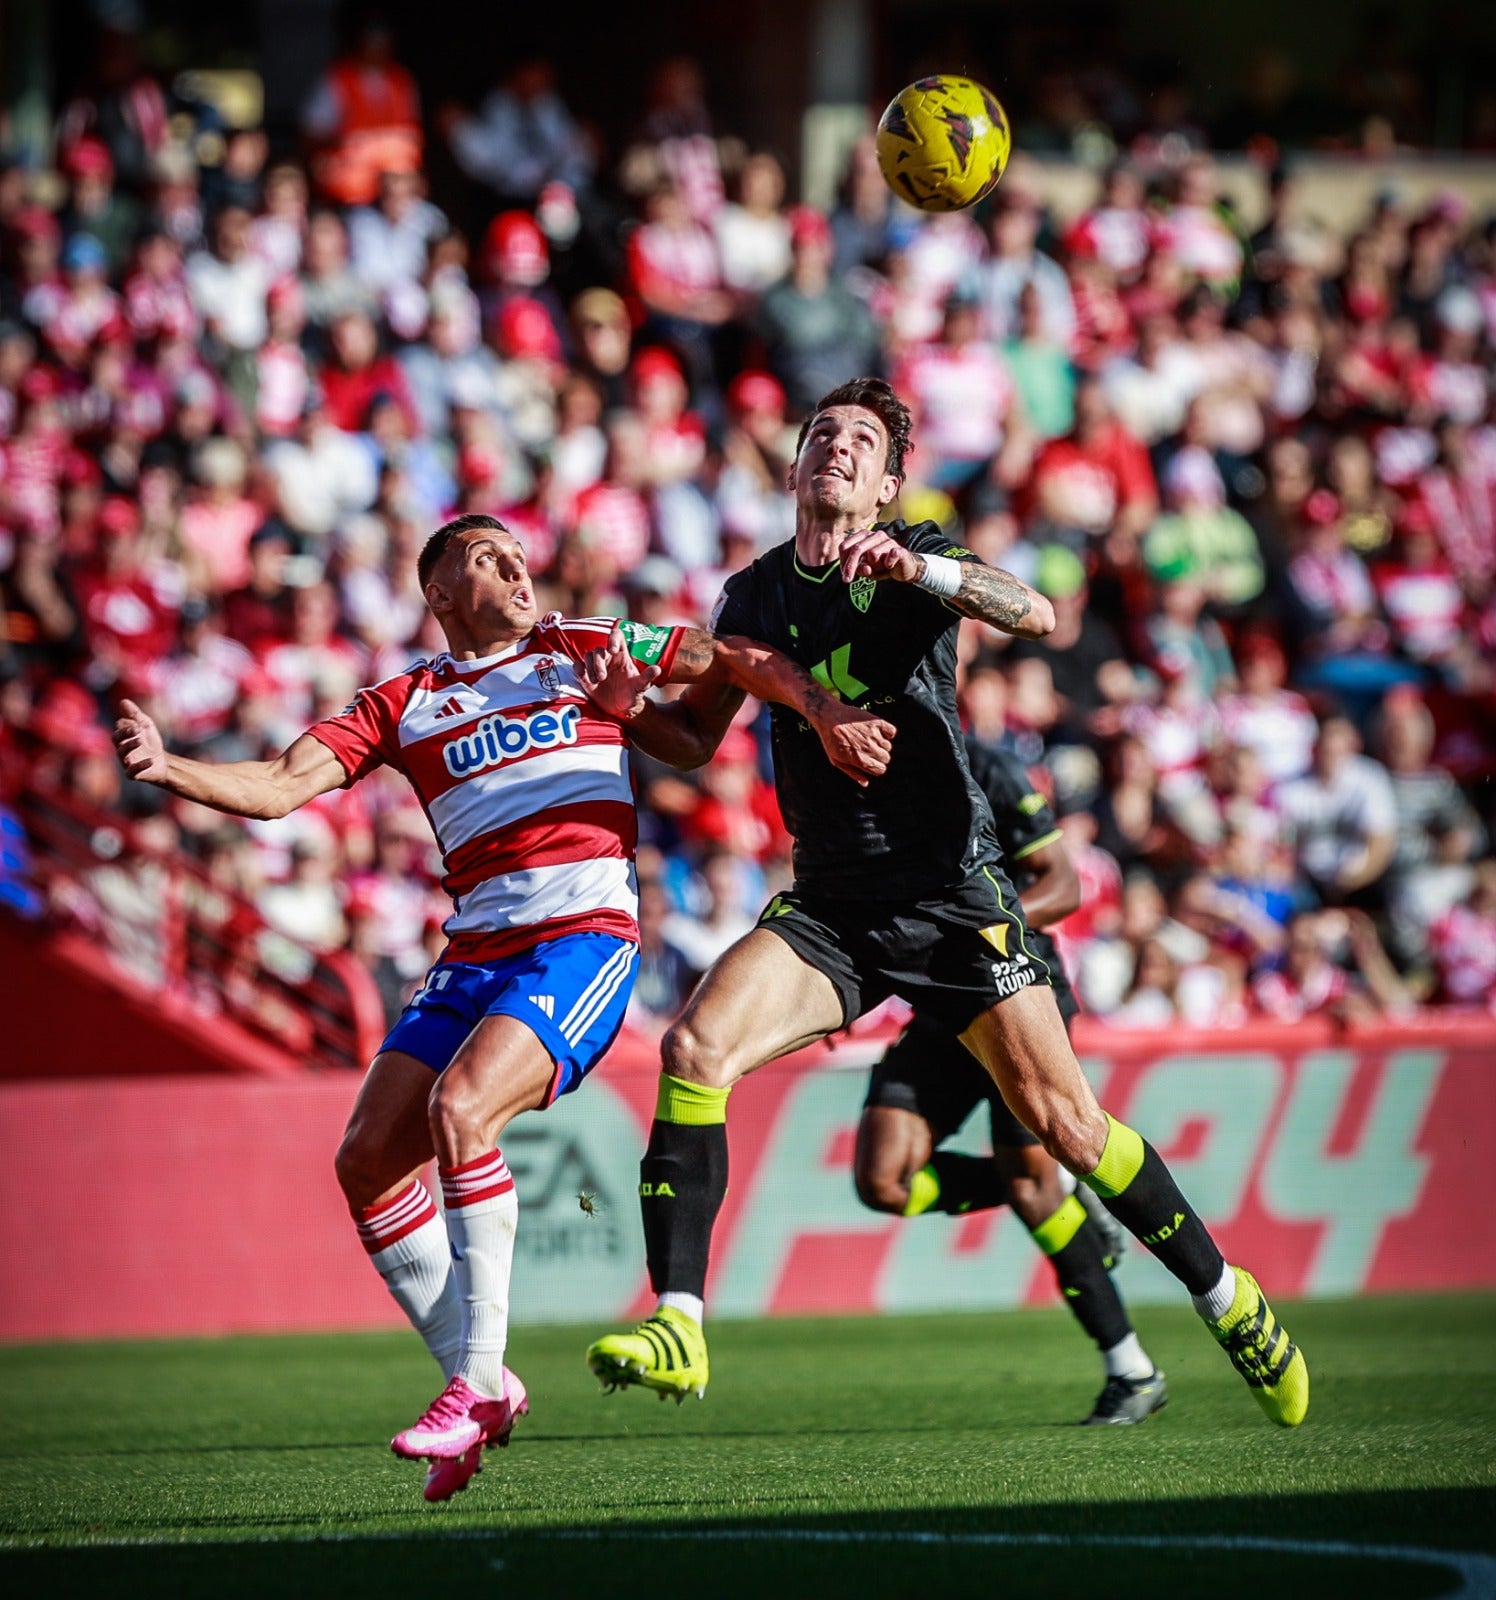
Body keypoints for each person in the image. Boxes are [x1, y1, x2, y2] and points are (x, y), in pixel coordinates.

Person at [112, 511, 893, 1504]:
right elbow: (276, 787)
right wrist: (168, 768)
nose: (514, 566)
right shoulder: (399, 702)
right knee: (363, 1157)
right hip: (474, 948)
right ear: (437, 593)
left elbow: (730, 656)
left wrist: (820, 712)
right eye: (484, 557)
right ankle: (477, 1376)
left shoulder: (579, 646)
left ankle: (476, 1382)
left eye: (516, 554)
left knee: (461, 1111)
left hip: (581, 936)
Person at [581, 378, 1309, 1429]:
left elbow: (1038, 611)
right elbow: (694, 738)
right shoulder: (749, 596)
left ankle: (1224, 1295)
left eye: (860, 442)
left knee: (1066, 1126)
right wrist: (624, 715)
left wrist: (922, 566)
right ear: (792, 471)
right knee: (693, 1048)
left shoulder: (916, 558)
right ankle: (681, 1324)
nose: (835, 448)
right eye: (820, 435)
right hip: (832, 905)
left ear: (885, 487)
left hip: (949, 895)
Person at [854, 737, 1166, 1426]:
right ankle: (1047, 1184)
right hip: (937, 1001)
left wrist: (974, 929)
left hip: (1011, 990)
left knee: (1034, 1191)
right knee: (883, 1181)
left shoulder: (981, 763)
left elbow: (1063, 882)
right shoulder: (846, 761)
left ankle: (1132, 1371)